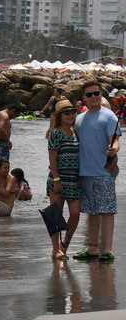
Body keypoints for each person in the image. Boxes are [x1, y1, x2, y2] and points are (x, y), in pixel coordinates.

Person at [74, 79, 119, 262]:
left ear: (101, 95)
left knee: (107, 211)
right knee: (91, 211)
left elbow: (115, 140)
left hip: (104, 171)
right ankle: (93, 247)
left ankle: (107, 249)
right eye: (90, 94)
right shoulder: (78, 120)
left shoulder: (109, 116)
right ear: (83, 98)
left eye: (97, 93)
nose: (94, 97)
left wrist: (114, 148)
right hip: (84, 171)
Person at [46, 98, 82, 260]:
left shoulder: (76, 132)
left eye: (73, 112)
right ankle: (55, 250)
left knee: (75, 214)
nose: (70, 115)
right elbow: (52, 159)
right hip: (58, 179)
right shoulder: (56, 133)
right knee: (56, 214)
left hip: (74, 180)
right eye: (66, 113)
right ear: (60, 116)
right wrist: (56, 180)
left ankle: (64, 247)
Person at [0, 104, 20, 170]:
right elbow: (0, 129)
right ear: (13, 111)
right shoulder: (5, 116)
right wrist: (8, 141)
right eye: (15, 115)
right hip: (1, 144)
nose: (14, 118)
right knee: (3, 167)